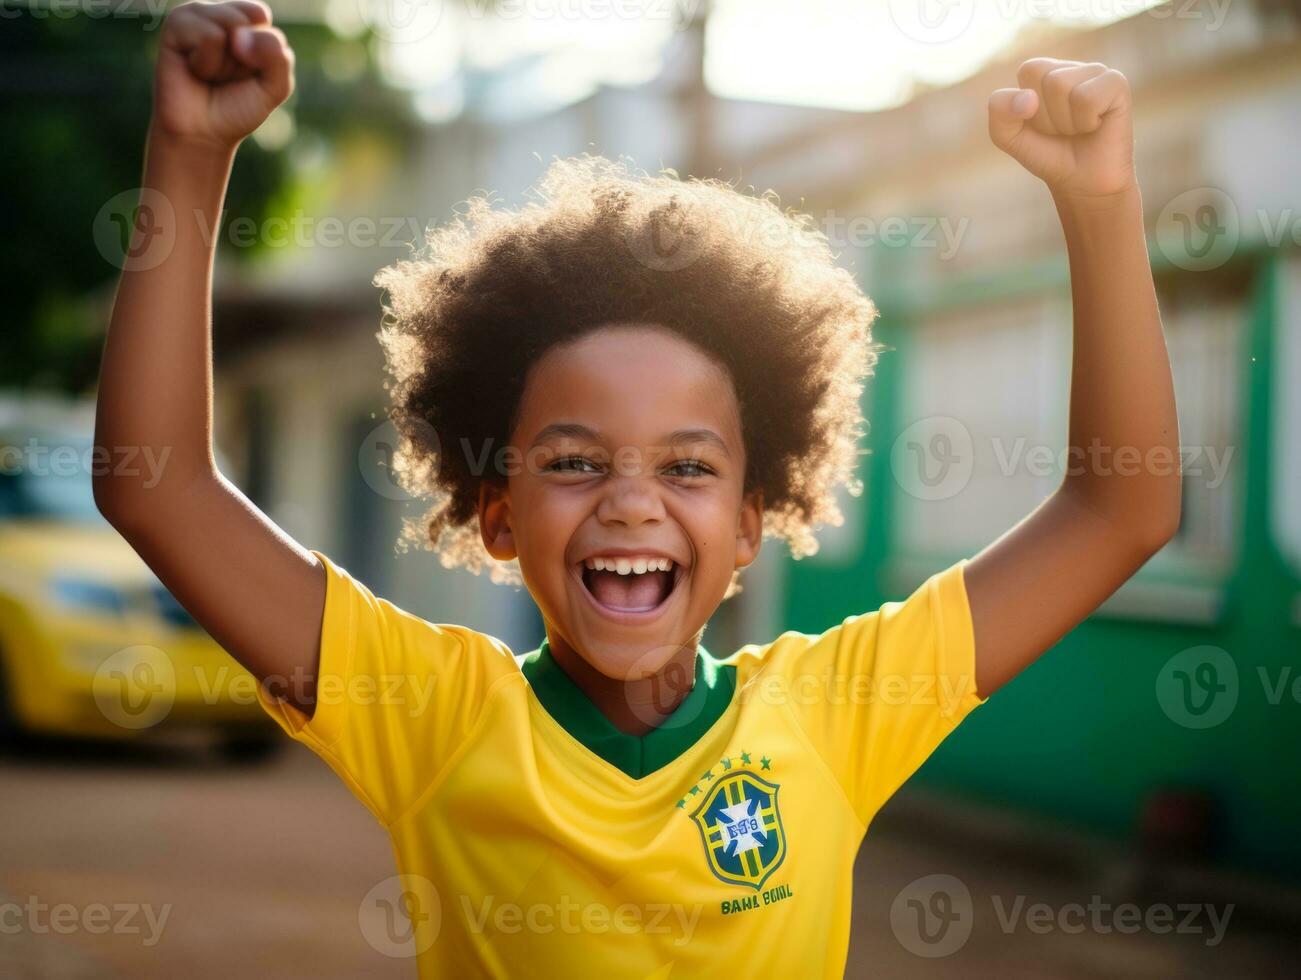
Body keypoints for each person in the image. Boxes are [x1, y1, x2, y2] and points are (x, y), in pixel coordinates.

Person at [93, 2, 1181, 975]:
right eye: (573, 460)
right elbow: (160, 489)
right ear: (499, 513)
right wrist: (188, 156)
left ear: (752, 519)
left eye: (687, 466)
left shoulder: (834, 712)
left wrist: (1098, 205)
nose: (629, 499)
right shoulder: (431, 713)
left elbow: (1118, 510)